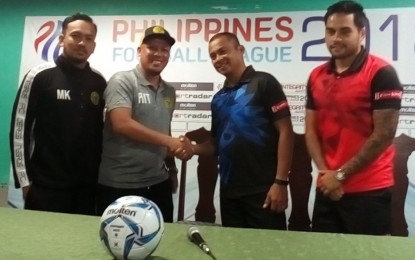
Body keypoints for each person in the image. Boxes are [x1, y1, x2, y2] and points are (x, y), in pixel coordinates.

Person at [305, 0, 403, 235]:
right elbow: (311, 131)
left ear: (361, 33)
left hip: (368, 191)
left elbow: (383, 135)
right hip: (327, 187)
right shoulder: (316, 75)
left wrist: (340, 175)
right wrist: (325, 173)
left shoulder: (382, 73)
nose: (335, 38)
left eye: (344, 31)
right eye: (330, 31)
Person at [182, 32, 294, 229]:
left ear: (240, 49)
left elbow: (286, 132)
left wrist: (281, 183)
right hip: (229, 194)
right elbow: (216, 144)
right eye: (213, 56)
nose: (218, 59)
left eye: (222, 51)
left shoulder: (264, 83)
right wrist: (193, 149)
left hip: (264, 191)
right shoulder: (218, 99)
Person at [9, 13, 106, 215]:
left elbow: (101, 134)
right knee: (42, 245)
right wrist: (25, 182)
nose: (82, 43)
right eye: (76, 36)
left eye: (89, 39)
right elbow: (19, 132)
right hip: (45, 188)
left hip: (86, 189)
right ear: (62, 39)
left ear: (94, 46)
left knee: (80, 245)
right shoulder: (39, 76)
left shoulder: (99, 81)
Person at [96, 25, 187, 222]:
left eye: (164, 50)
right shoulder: (122, 81)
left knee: (162, 243)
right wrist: (169, 141)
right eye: (152, 48)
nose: (159, 54)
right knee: (117, 247)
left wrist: (172, 169)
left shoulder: (169, 91)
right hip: (119, 184)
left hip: (158, 183)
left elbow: (166, 130)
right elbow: (122, 124)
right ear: (139, 51)